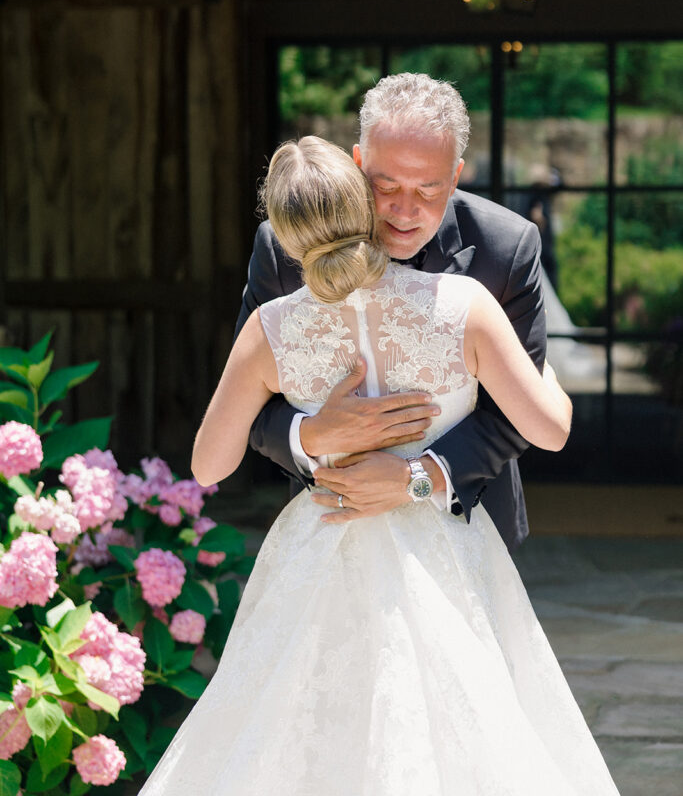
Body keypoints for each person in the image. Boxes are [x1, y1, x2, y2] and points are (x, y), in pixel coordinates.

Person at [138, 137, 620, 796]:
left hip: (319, 543)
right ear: (365, 207)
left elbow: (209, 463)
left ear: (283, 233)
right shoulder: (462, 305)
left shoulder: (271, 330)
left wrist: (308, 431)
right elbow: (547, 430)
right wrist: (551, 385)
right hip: (443, 546)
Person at [235, 73, 545, 551]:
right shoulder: (284, 248)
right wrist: (311, 435)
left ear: (456, 175)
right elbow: (245, 404)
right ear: (359, 162)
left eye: (428, 189)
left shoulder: (506, 250)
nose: (404, 210)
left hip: (468, 527)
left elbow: (513, 415)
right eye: (385, 185)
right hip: (330, 530)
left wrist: (414, 479)